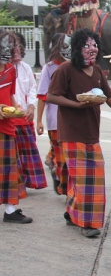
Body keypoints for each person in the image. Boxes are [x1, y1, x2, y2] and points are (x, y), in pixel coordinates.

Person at [47, 28, 111, 237]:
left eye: (95, 45)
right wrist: (75, 104)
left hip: (92, 134)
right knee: (84, 179)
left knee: (92, 176)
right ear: (77, 49)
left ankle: (72, 211)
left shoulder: (97, 70)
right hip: (71, 133)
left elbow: (110, 97)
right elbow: (51, 96)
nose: (92, 49)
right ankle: (87, 224)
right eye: (87, 45)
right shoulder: (66, 69)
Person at [0, 31, 33, 224]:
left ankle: (10, 210)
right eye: (3, 46)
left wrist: (16, 106)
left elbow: (11, 95)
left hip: (7, 125)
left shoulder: (11, 69)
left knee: (9, 169)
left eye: (9, 47)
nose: (7, 50)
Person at [11, 32, 47, 192]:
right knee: (12, 156)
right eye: (12, 46)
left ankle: (27, 182)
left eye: (18, 45)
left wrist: (31, 106)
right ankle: (14, 185)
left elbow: (32, 89)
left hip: (24, 117)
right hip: (8, 119)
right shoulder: (3, 68)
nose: (16, 49)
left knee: (26, 154)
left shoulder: (25, 68)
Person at [37, 33, 69, 194]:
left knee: (67, 153)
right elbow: (42, 96)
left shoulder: (75, 66)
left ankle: (53, 164)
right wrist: (39, 121)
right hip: (55, 120)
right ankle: (63, 183)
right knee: (60, 152)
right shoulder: (49, 68)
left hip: (72, 119)